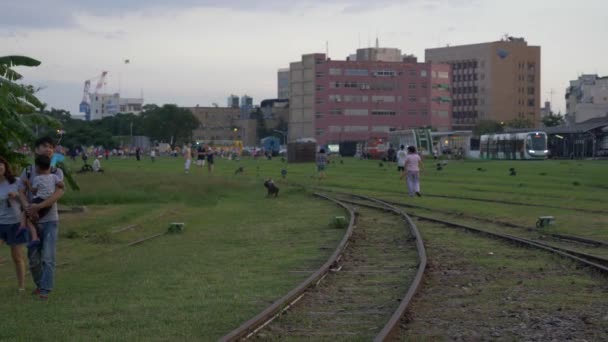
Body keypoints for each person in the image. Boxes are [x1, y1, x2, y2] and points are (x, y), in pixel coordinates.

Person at [19, 136, 66, 300]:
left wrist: (39, 206)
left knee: (48, 256)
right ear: (36, 150)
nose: (49, 149)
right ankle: (40, 285)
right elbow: (21, 191)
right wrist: (27, 207)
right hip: (32, 220)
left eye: (51, 147)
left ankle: (45, 289)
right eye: (44, 146)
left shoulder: (56, 172)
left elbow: (59, 192)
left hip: (50, 220)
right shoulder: (28, 171)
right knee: (33, 259)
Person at [0, 156, 28, 293]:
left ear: (5, 167)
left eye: (1, 165)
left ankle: (21, 286)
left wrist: (16, 195)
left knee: (17, 257)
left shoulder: (15, 182)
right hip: (0, 223)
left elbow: (25, 201)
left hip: (15, 222)